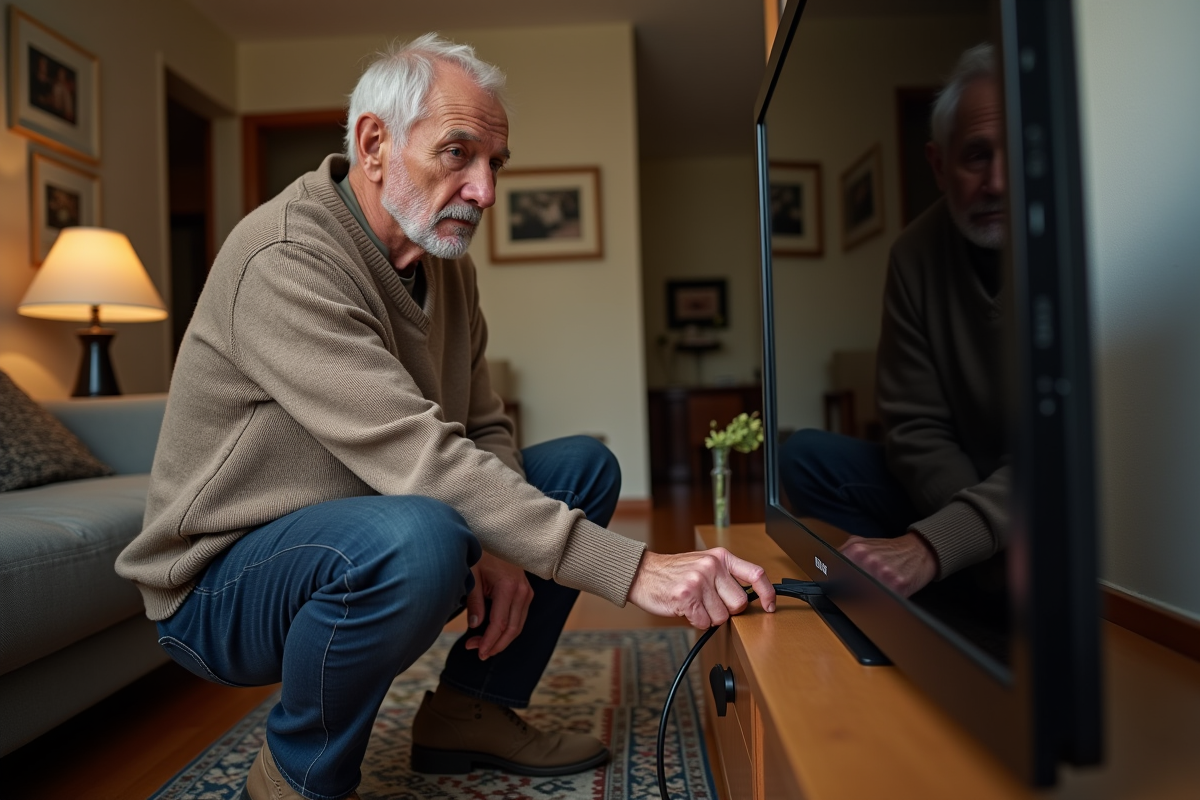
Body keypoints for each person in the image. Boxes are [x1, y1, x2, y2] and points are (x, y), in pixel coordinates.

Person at [115, 34, 776, 800]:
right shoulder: (285, 256)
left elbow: (485, 424)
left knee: (580, 469)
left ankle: (471, 711)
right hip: (217, 586)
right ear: (373, 144)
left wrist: (504, 547)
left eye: (495, 164)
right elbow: (419, 456)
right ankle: (296, 777)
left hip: (354, 523)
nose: (485, 190)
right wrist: (635, 570)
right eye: (458, 154)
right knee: (419, 536)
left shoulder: (446, 269)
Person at [780, 43, 1009, 599]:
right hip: (958, 484)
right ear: (937, 163)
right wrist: (959, 533)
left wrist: (936, 546)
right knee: (804, 457)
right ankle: (982, 580)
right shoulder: (914, 254)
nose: (999, 181)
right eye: (977, 155)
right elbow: (915, 430)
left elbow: (1071, 456)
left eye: (1018, 152)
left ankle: (965, 584)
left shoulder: (1085, 241)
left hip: (1047, 496)